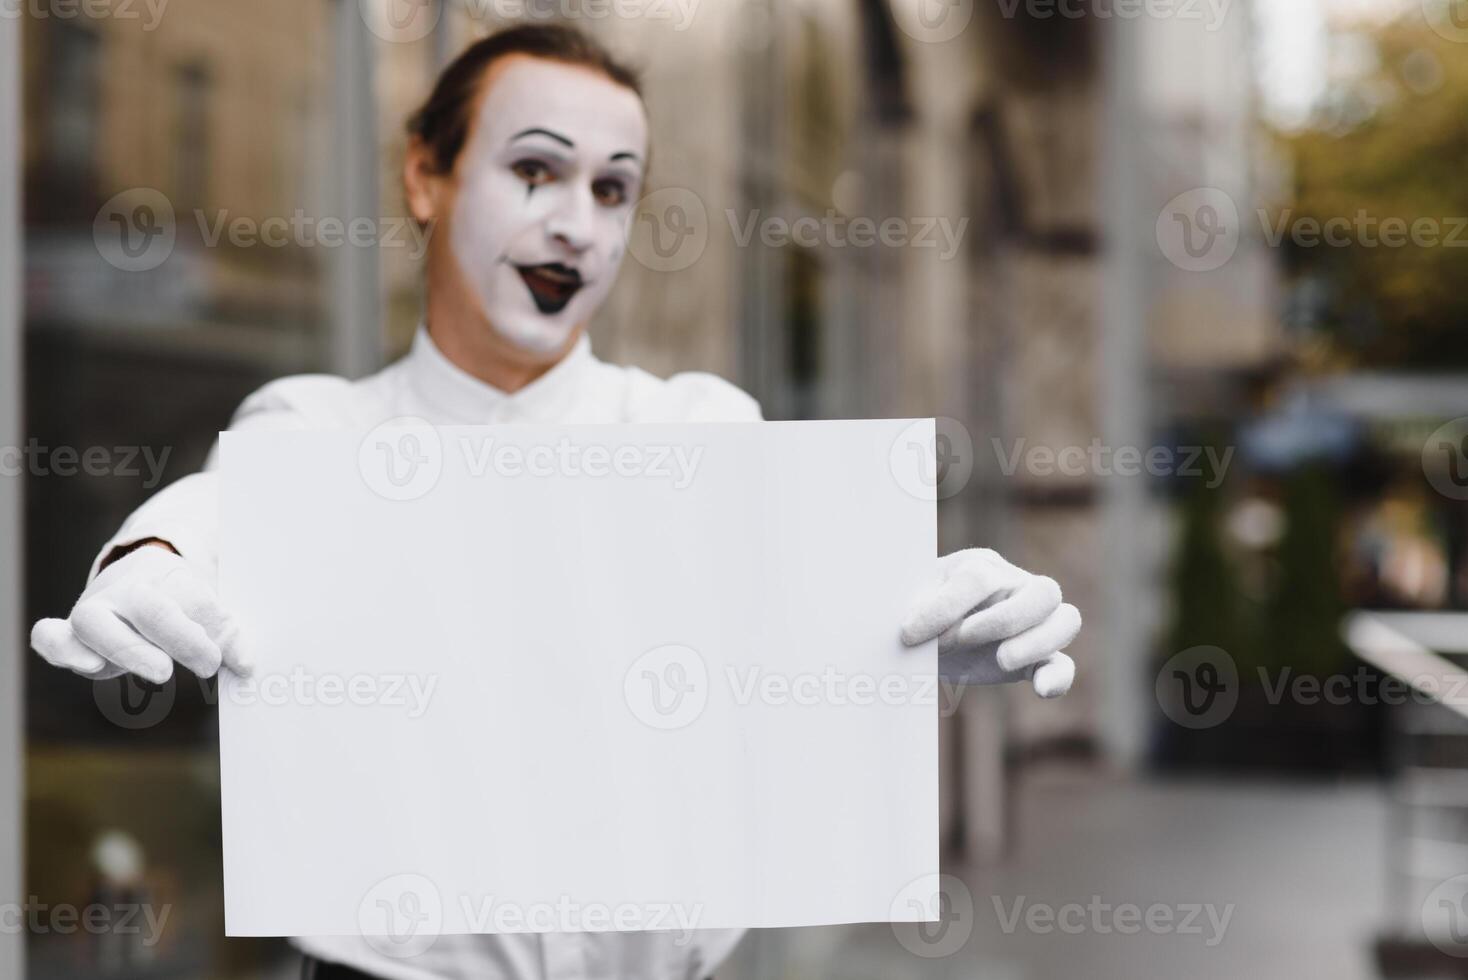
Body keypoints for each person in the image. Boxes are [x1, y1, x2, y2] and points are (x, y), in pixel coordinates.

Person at [29, 23, 1082, 980]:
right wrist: (147, 560)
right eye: (534, 169)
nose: (576, 222)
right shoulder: (321, 428)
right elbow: (220, 509)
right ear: (425, 176)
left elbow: (827, 599)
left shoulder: (697, 433)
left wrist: (942, 621)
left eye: (612, 189)